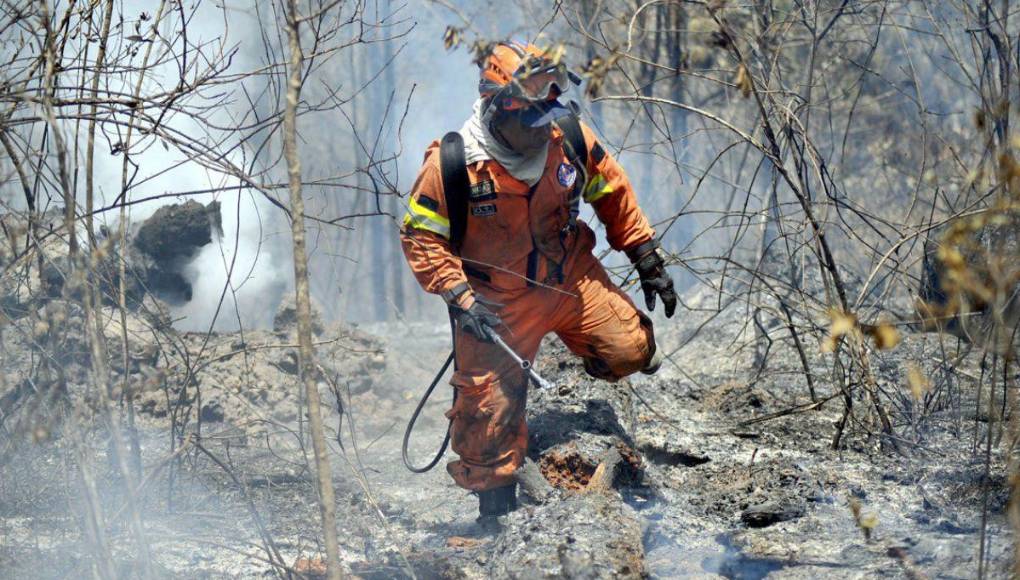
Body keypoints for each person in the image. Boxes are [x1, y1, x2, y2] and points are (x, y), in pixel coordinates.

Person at [400, 41, 676, 524]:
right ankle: (495, 510)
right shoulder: (453, 164)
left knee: (632, 350)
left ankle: (604, 358)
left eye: (548, 114)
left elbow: (611, 190)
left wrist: (645, 254)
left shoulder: (566, 138)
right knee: (485, 416)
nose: (543, 130)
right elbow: (420, 236)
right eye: (531, 120)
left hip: (568, 275)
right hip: (494, 302)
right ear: (497, 110)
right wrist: (462, 298)